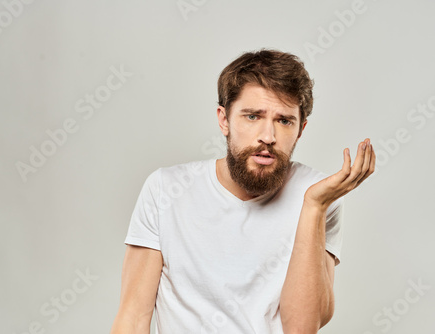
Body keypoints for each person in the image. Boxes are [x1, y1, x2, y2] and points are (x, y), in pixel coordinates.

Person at [110, 48, 375, 334]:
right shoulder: (166, 190)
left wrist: (314, 207)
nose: (268, 137)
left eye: (284, 121)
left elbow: (301, 328)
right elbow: (133, 318)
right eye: (252, 116)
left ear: (300, 130)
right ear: (224, 119)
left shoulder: (321, 196)